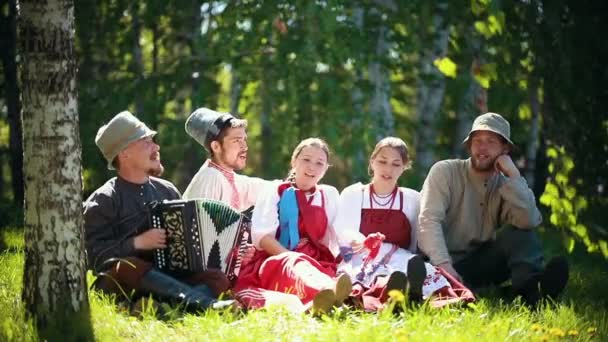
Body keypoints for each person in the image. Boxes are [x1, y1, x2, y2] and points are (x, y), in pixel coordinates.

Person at [84, 111, 235, 313]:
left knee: (217, 276)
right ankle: (206, 305)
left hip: (168, 277)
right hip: (123, 284)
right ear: (124, 153)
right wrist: (137, 243)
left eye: (152, 141)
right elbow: (93, 257)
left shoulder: (167, 190)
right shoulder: (103, 200)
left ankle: (163, 310)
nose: (156, 147)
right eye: (146, 142)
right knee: (127, 266)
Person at [418, 112, 569, 306]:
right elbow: (428, 220)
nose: (482, 147)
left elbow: (529, 220)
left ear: (504, 149)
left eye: (491, 141)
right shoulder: (445, 171)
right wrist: (444, 266)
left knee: (521, 234)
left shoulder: (506, 185)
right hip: (437, 265)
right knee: (431, 273)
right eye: (477, 141)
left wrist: (513, 175)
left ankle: (531, 292)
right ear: (470, 145)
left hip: (478, 264)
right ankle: (502, 294)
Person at [335, 137, 475, 311]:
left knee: (419, 270)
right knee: (379, 275)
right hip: (363, 256)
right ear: (372, 163)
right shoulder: (353, 194)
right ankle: (394, 293)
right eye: (382, 161)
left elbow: (420, 237)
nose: (388, 169)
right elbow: (342, 231)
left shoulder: (412, 199)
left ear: (404, 167)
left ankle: (415, 293)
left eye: (396, 164)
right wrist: (359, 241)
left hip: (399, 256)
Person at [233, 138, 352, 314]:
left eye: (320, 163)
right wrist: (292, 258)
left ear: (325, 169)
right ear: (294, 161)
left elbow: (335, 235)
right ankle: (330, 291)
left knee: (345, 268)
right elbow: (263, 238)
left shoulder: (328, 195)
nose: (312, 167)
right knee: (294, 264)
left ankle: (326, 300)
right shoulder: (275, 190)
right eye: (306, 160)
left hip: (316, 261)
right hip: (276, 258)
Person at [183, 107, 266, 211]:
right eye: (237, 141)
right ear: (216, 147)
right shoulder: (210, 177)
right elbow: (200, 225)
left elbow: (272, 189)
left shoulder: (236, 180)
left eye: (244, 140)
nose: (245, 147)